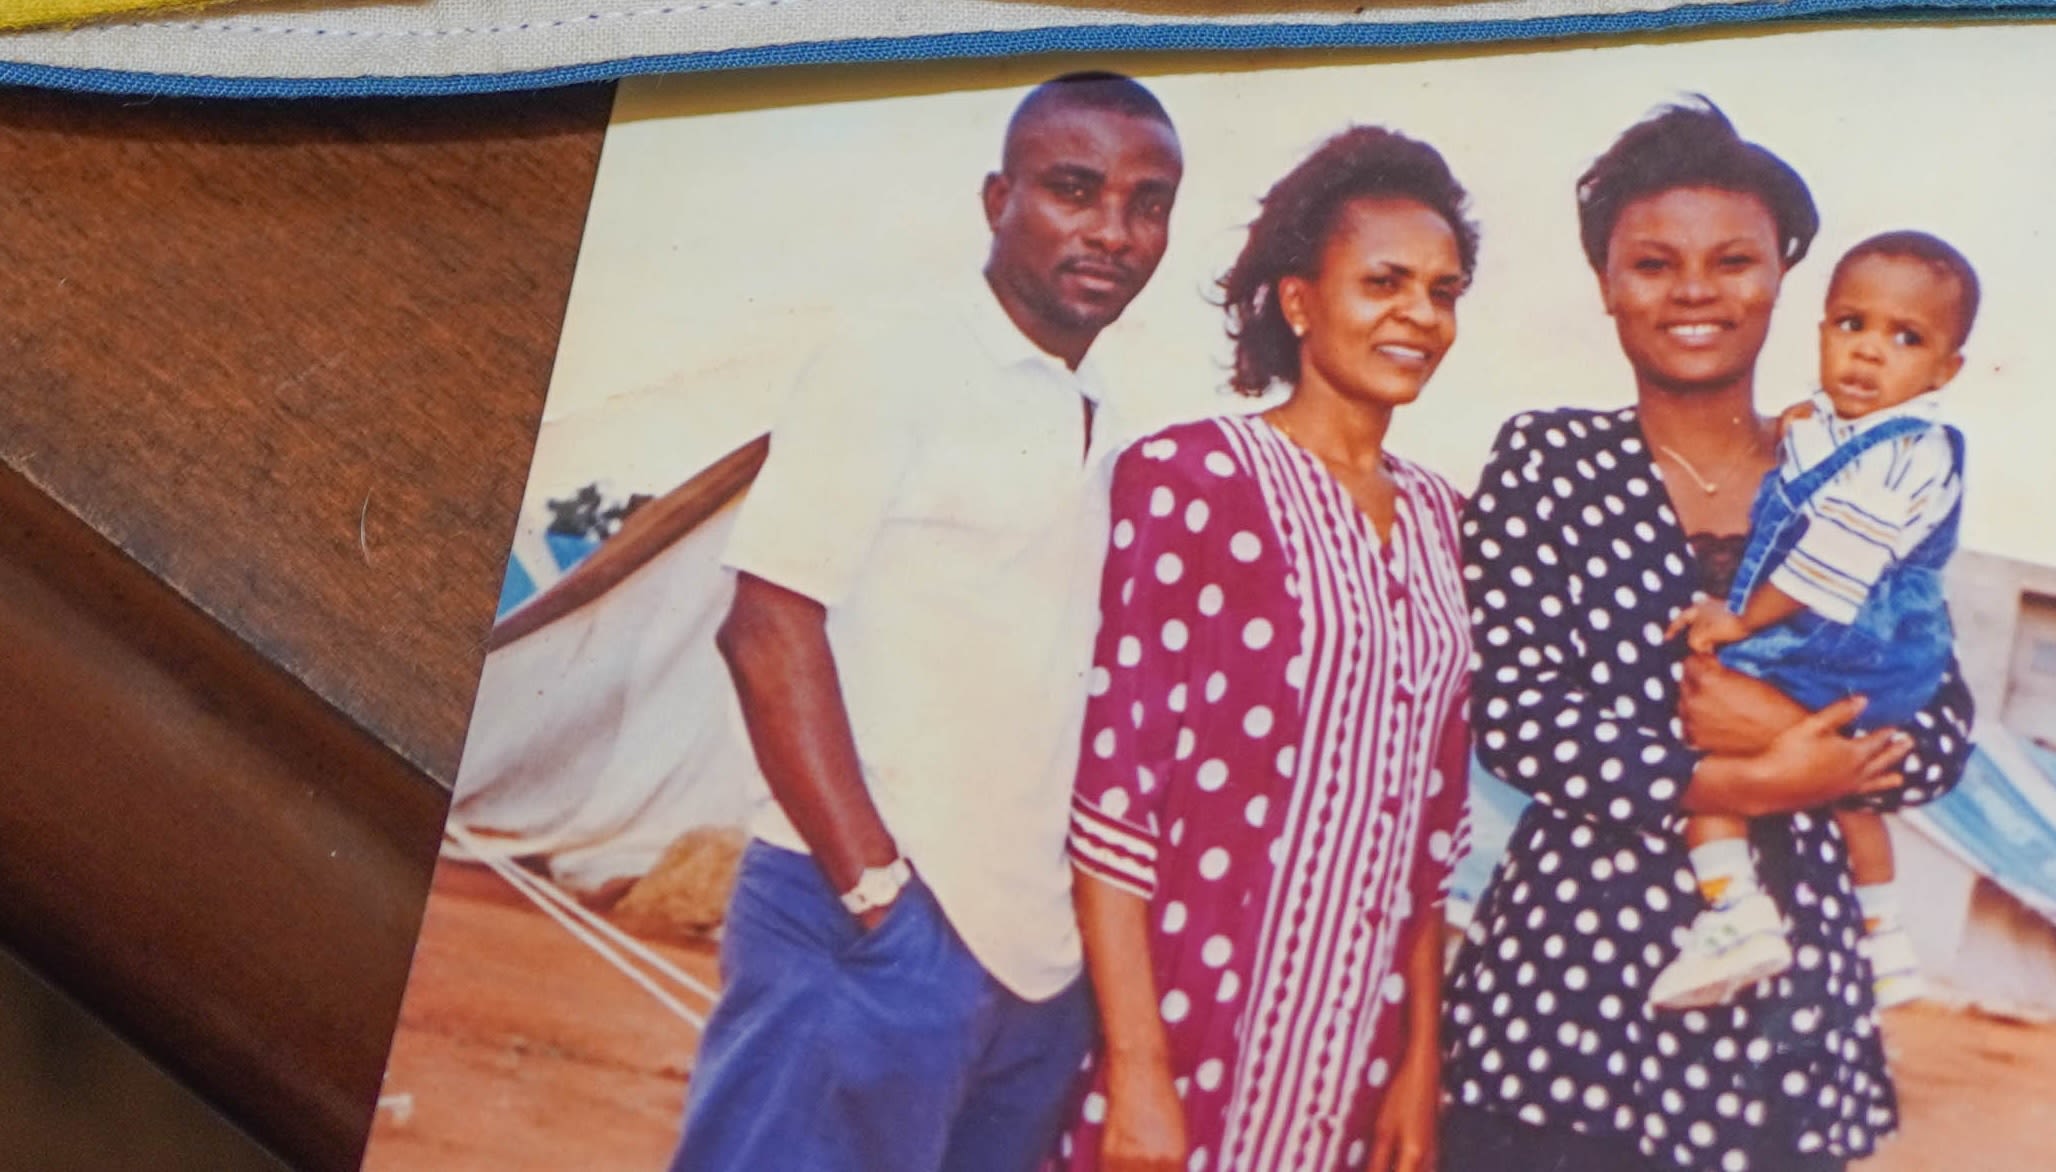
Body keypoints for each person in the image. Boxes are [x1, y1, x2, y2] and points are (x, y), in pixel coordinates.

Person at [1439, 99, 1975, 1172]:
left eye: (1732, 260)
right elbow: (1519, 717)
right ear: (1604, 281)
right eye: (1652, 262)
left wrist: (1788, 737)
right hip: (1563, 1015)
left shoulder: (1859, 471)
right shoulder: (1549, 459)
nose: (1693, 291)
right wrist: (1759, 777)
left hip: (1788, 1032)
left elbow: (1941, 718)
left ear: (1785, 278)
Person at [669, 72, 1183, 1172]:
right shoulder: (894, 356)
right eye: (1074, 189)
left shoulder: (1116, 419)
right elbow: (765, 624)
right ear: (996, 198)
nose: (1111, 230)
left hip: (1033, 972)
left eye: (1147, 202)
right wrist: (878, 899)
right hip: (865, 928)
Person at [1058, 126, 1475, 1172]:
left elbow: (1431, 835)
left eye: (1441, 290)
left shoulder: (1448, 525)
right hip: (1181, 1026)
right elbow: (1113, 798)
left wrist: (1419, 1062)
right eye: (1384, 281)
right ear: (1298, 301)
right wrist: (1137, 1068)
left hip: (1350, 1060)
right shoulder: (1190, 480)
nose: (1418, 316)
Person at [1652, 231, 1979, 1012]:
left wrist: (1736, 622)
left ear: (1946, 370)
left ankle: (1736, 910)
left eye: (1906, 338)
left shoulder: (1904, 458)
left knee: (1704, 725)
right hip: (1875, 658)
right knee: (1844, 787)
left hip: (1845, 634)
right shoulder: (1847, 431)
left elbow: (1820, 572)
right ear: (1823, 328)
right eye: (1850, 325)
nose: (1869, 353)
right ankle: (1886, 938)